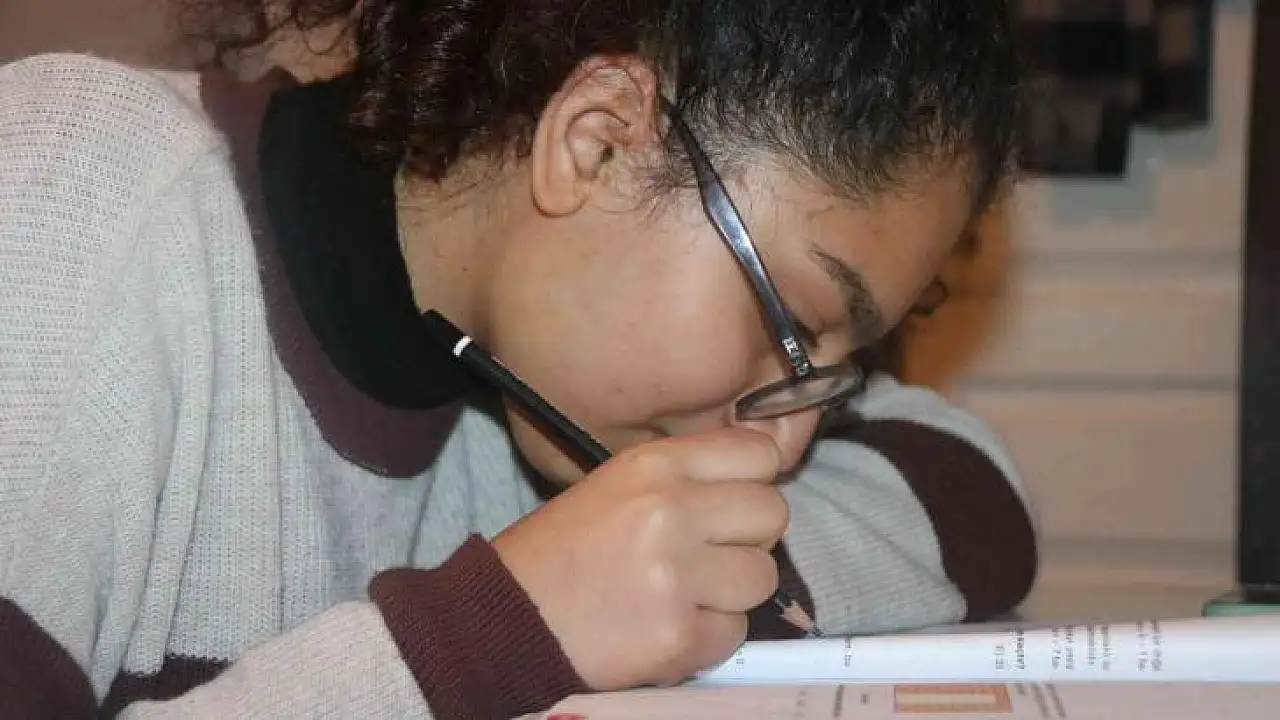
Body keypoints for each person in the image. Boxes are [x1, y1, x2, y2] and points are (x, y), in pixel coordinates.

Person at [0, 0, 1037, 717]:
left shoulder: (545, 391)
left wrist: (685, 576)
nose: (785, 442)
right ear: (595, 141)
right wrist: (502, 630)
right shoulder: (78, 189)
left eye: (834, 368)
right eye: (793, 325)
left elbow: (969, 478)